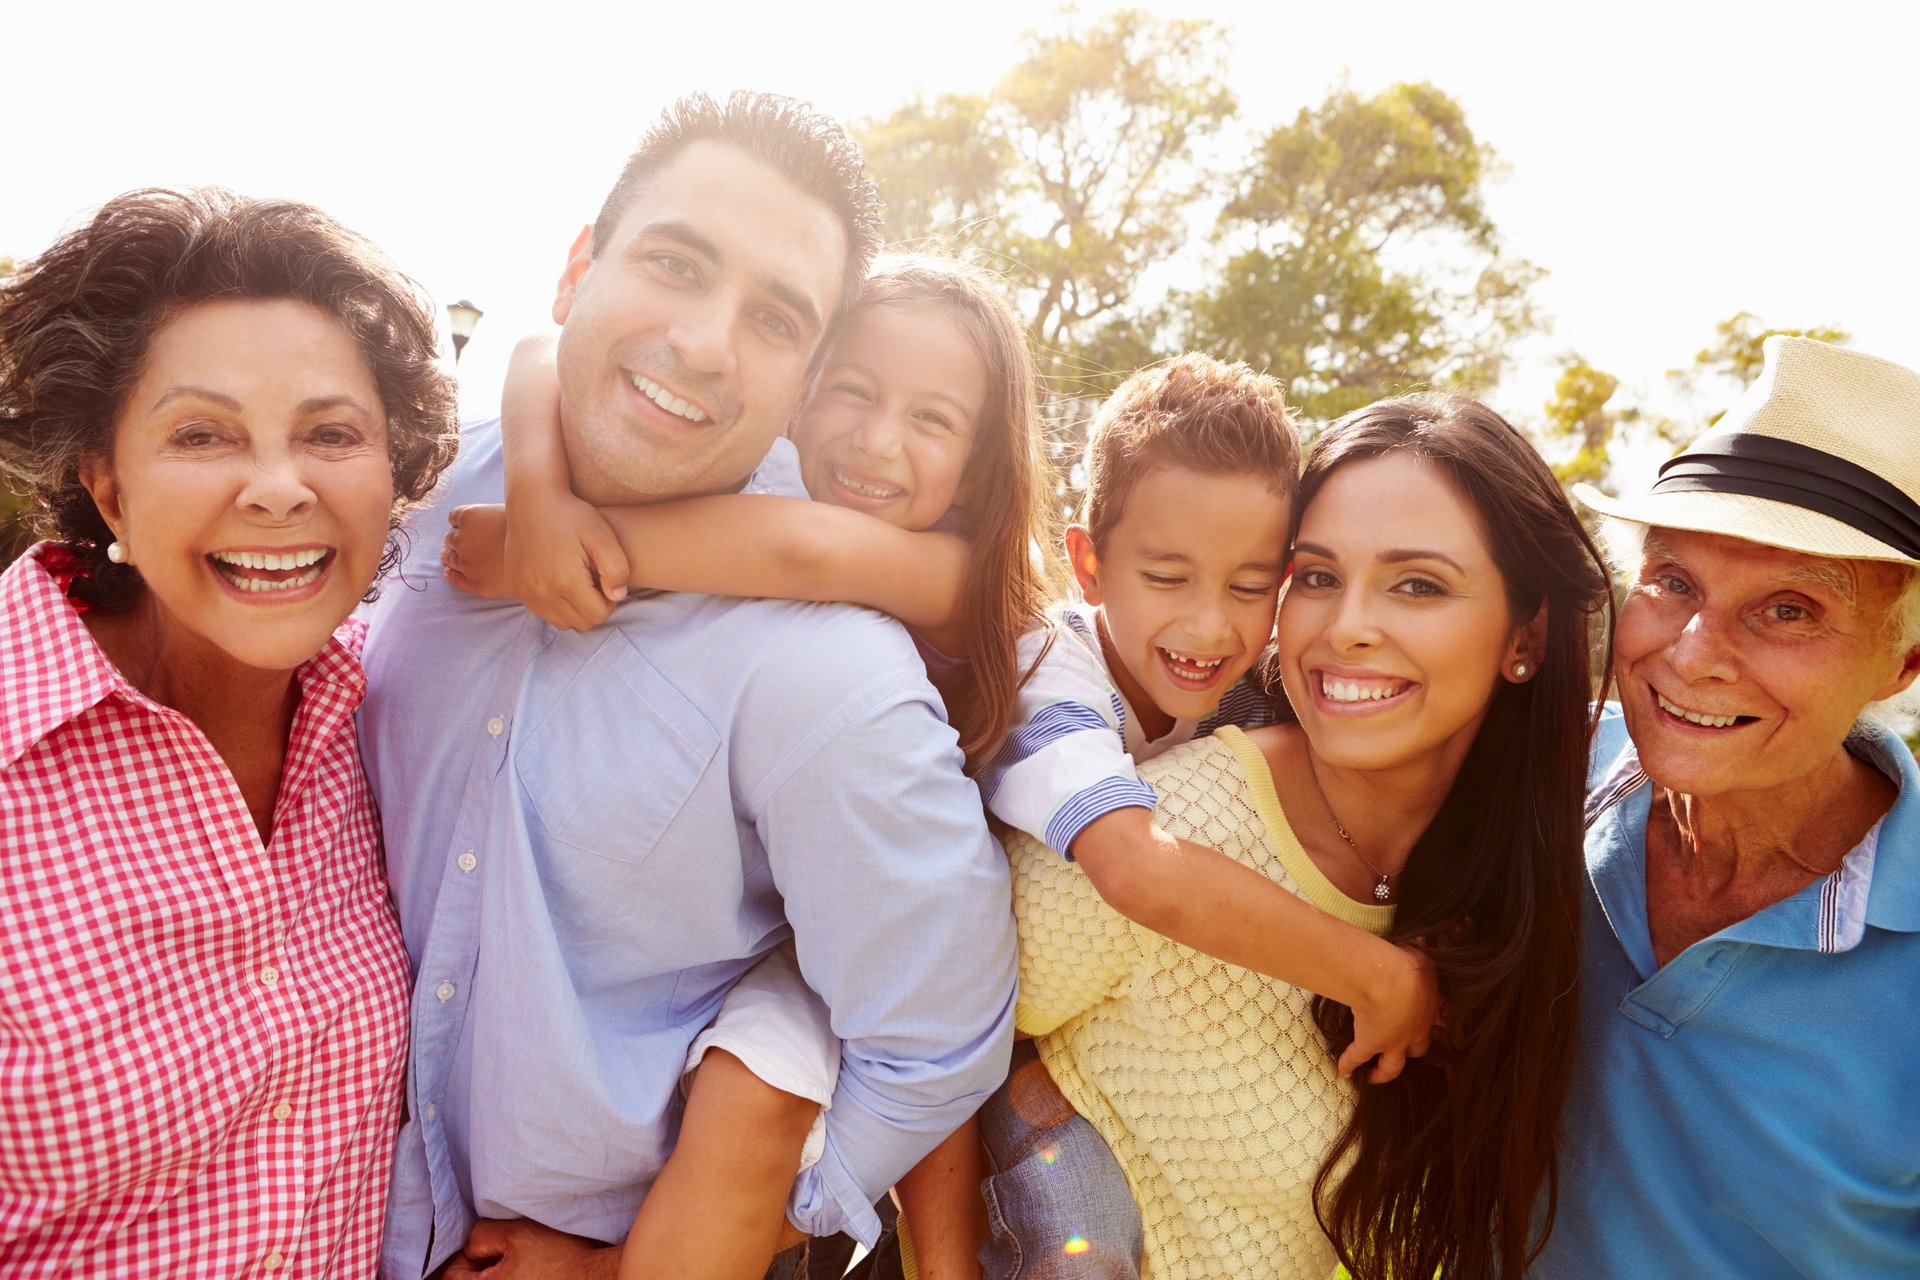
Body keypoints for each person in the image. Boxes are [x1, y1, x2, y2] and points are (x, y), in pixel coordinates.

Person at [357, 91, 1019, 1280]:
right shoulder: (427, 488)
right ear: (578, 267)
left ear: (806, 375)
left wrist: (696, 1238)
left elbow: (934, 1041)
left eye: (774, 318)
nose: (708, 344)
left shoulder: (825, 671)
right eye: (675, 261)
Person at [1005, 393, 1610, 1279]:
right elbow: (912, 1045)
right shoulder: (1158, 825)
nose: (1347, 626)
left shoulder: (1536, 875)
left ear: (1528, 637)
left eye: (1418, 585)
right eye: (1319, 577)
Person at [0, 188, 458, 1274]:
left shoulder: (396, 717)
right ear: (104, 482)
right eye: (201, 433)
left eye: (331, 433)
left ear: (395, 476)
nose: (277, 488)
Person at [1535, 336, 1920, 1278]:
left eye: (1788, 609)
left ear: (1901, 663)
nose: (1694, 653)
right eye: (1672, 582)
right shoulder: (1538, 786)